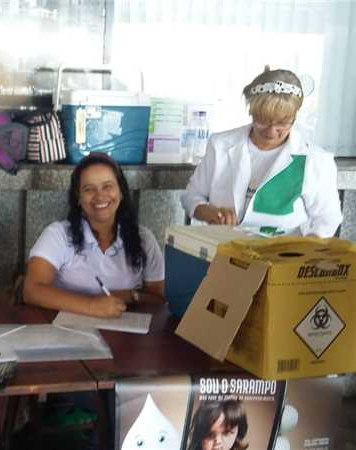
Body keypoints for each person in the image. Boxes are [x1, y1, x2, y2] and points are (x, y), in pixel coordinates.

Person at [181, 67, 342, 237]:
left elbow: (327, 218)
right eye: (263, 121)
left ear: (295, 116)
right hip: (222, 251)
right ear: (251, 111)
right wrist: (209, 212)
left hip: (282, 257)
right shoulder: (220, 145)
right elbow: (191, 196)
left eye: (282, 123)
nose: (271, 131)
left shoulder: (314, 160)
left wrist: (305, 249)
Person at [24, 152, 165, 318]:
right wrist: (91, 306)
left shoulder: (144, 239)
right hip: (66, 333)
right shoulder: (58, 235)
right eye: (89, 189)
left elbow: (158, 299)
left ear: (121, 192)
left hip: (125, 334)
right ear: (78, 197)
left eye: (107, 186)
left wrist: (130, 296)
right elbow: (32, 290)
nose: (100, 196)